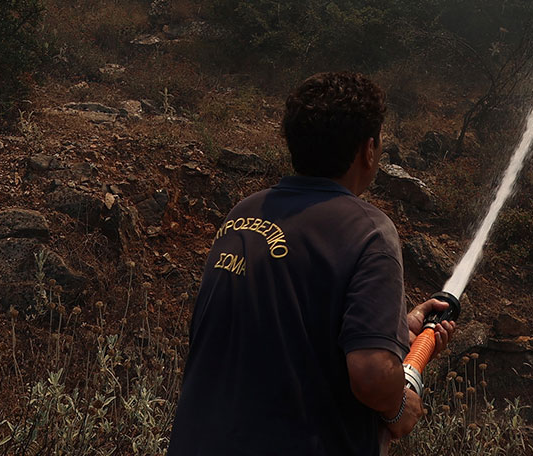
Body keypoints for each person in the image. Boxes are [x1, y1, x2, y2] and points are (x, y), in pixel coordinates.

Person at [166, 72, 457, 456]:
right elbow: (371, 374)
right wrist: (400, 406)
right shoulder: (370, 231)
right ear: (368, 150)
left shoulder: (244, 214)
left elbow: (279, 327)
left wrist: (394, 329)